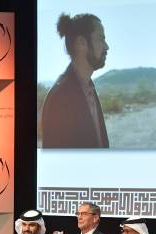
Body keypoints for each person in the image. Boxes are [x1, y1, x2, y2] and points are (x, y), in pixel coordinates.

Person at [41, 13, 109, 148]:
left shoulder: (89, 88)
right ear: (82, 42)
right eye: (101, 39)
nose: (107, 47)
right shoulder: (59, 97)